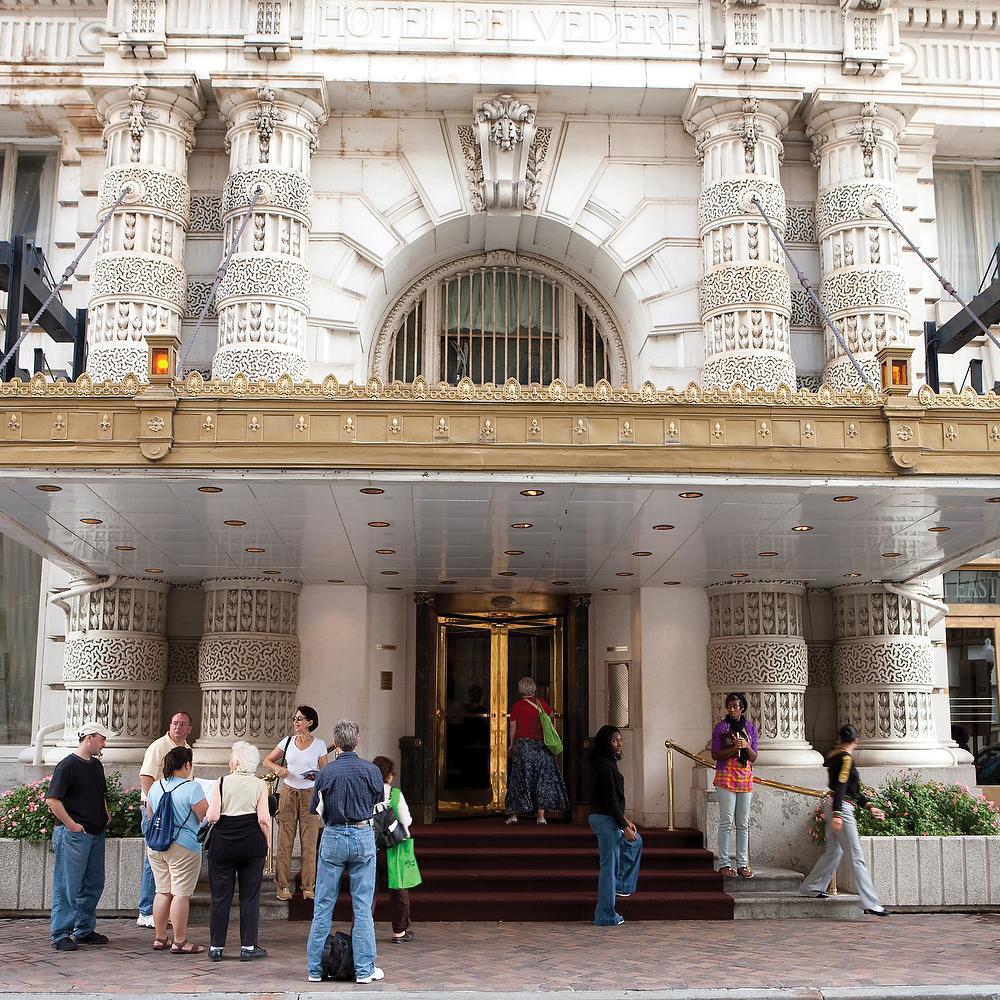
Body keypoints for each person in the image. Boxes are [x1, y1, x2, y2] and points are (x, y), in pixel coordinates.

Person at [305, 719, 385, 985]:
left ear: (336, 743)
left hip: (334, 834)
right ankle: (364, 969)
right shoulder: (371, 770)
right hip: (362, 833)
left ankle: (315, 969)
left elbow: (316, 807)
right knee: (362, 906)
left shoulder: (326, 772)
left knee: (323, 904)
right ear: (357, 741)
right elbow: (377, 801)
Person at [801, 723, 889, 916]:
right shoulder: (846, 759)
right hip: (841, 808)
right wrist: (839, 814)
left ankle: (811, 886)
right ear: (856, 740)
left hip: (835, 804)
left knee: (834, 851)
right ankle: (870, 901)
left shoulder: (834, 756)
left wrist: (870, 806)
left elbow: (851, 789)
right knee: (856, 855)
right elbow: (843, 786)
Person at [45, 721, 115, 951]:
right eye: (102, 739)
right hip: (74, 834)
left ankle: (83, 930)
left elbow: (100, 793)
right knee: (68, 885)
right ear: (89, 737)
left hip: (95, 832)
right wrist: (72, 825)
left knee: (94, 883)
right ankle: (60, 933)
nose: (104, 743)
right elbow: (53, 800)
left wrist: (105, 814)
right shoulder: (67, 766)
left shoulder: (96, 766)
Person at [205, 741, 271, 963]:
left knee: (220, 896)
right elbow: (263, 819)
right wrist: (268, 843)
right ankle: (248, 946)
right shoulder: (260, 785)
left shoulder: (221, 782)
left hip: (223, 843)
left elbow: (212, 816)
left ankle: (216, 947)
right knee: (250, 896)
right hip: (252, 843)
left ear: (236, 761)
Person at [145, 746, 209, 953]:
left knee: (162, 891)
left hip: (156, 846)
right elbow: (203, 816)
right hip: (184, 846)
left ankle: (160, 938)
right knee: (181, 894)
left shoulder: (155, 787)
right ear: (187, 765)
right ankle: (180, 941)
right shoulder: (193, 788)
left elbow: (150, 816)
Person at [264, 705, 328, 901]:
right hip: (288, 792)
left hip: (310, 793)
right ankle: (282, 886)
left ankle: (308, 886)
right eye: (295, 718)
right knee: (285, 841)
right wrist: (277, 768)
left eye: (300, 719)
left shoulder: (319, 744)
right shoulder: (288, 741)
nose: (296, 722)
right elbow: (267, 760)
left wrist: (315, 775)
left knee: (309, 843)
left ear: (310, 722)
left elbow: (325, 773)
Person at [137, 711, 194, 927]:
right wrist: (154, 809)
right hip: (156, 811)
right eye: (174, 723)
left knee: (167, 859)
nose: (178, 727)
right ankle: (146, 911)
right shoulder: (159, 746)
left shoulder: (188, 750)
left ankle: (163, 911)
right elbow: (145, 777)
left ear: (189, 728)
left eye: (183, 724)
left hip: (174, 812)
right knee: (154, 859)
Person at [588, 725, 642, 926]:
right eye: (614, 740)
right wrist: (624, 825)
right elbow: (609, 799)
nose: (619, 744)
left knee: (636, 843)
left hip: (608, 817)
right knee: (608, 867)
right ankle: (605, 914)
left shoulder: (608, 762)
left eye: (620, 740)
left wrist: (625, 820)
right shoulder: (603, 764)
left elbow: (613, 800)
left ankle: (621, 885)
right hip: (604, 818)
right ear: (605, 743)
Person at [504, 676, 569, 825]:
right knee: (541, 781)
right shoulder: (541, 704)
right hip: (541, 747)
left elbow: (513, 727)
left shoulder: (517, 706)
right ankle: (541, 816)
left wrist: (511, 744)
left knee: (519, 780)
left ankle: (514, 815)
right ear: (533, 688)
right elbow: (552, 715)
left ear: (521, 689)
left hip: (523, 747)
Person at [372, 755, 421, 943]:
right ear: (389, 775)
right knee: (399, 889)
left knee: (368, 891)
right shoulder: (395, 794)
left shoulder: (367, 793)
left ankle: (361, 930)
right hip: (394, 846)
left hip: (373, 846)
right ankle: (399, 931)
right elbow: (406, 819)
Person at [710, 692, 759, 879]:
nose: (731, 709)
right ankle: (724, 863)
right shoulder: (721, 727)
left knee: (743, 823)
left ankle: (742, 864)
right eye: (729, 706)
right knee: (726, 821)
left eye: (735, 706)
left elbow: (754, 757)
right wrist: (734, 748)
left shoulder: (750, 728)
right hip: (726, 776)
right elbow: (716, 754)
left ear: (742, 708)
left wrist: (746, 745)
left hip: (745, 777)